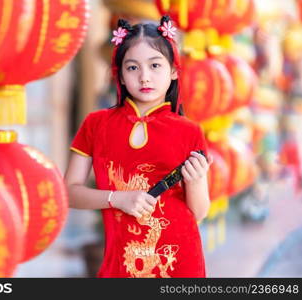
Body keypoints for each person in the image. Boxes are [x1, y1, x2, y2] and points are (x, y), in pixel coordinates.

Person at [64, 16, 213, 278]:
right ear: (119, 74)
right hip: (120, 264)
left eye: (155, 65)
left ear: (174, 71)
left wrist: (198, 180)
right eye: (132, 68)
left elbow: (198, 212)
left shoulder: (189, 131)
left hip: (179, 264)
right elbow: (69, 193)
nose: (145, 77)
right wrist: (117, 198)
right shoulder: (96, 125)